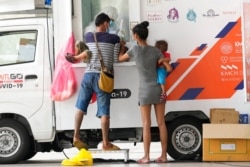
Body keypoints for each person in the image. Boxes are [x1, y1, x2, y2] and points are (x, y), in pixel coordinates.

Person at [119, 21, 168, 163]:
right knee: (161, 123)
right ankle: (164, 156)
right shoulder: (155, 50)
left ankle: (146, 156)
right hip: (158, 89)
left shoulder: (134, 50)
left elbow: (120, 59)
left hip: (144, 91)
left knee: (146, 123)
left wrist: (122, 46)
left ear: (135, 36)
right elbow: (163, 64)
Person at [70, 13, 121, 151]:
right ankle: (105, 143)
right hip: (103, 77)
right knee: (104, 112)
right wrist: (121, 45)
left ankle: (76, 136)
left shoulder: (88, 36)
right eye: (109, 23)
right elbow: (116, 59)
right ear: (105, 23)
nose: (109, 25)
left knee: (80, 107)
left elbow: (89, 53)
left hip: (88, 75)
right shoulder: (115, 38)